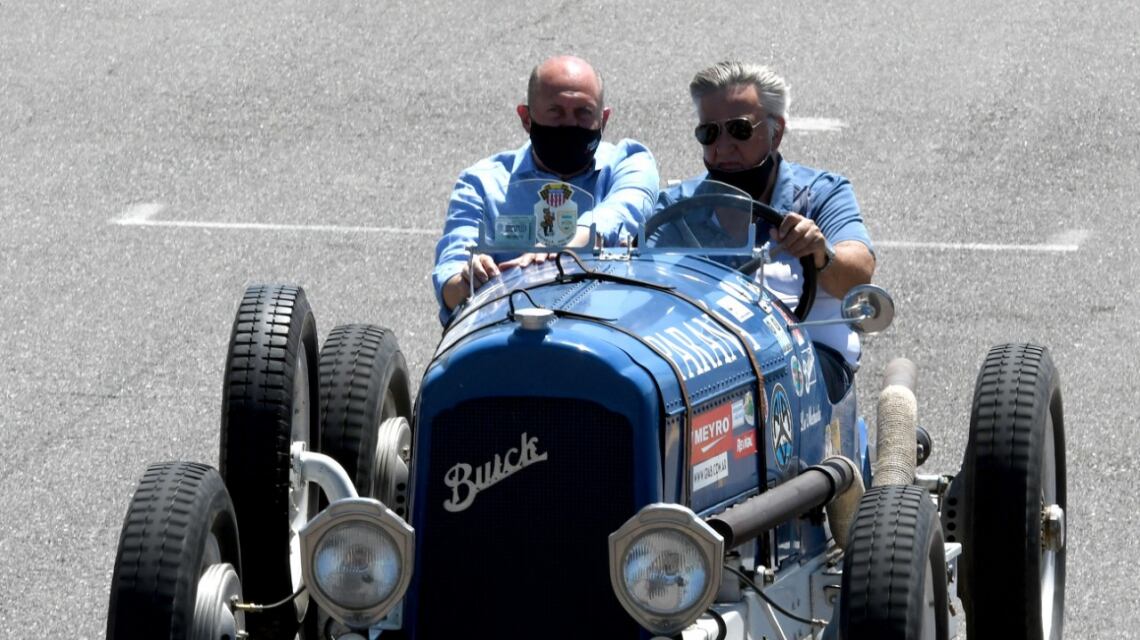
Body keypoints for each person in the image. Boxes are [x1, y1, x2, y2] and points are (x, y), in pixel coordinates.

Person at [658, 61, 875, 400]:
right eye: (710, 133)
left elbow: (858, 275)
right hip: (705, 357)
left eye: (740, 130)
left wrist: (821, 252)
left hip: (811, 355)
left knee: (755, 387)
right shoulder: (676, 207)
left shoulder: (822, 194)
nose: (724, 146)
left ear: (776, 132)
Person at [432, 55, 660, 323]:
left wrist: (566, 245)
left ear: (604, 119)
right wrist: (470, 278)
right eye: (556, 112)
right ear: (526, 118)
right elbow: (448, 282)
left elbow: (623, 210)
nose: (570, 125)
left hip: (606, 332)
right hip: (509, 334)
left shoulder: (629, 162)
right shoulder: (481, 184)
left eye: (583, 113)